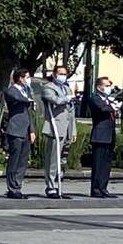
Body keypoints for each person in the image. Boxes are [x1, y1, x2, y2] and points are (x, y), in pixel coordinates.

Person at [41, 65, 76, 199]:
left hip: (66, 128)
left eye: (65, 74)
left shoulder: (66, 88)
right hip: (55, 127)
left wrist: (73, 131)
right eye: (60, 73)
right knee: (53, 159)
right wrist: (65, 99)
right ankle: (51, 186)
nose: (63, 76)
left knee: (62, 159)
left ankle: (59, 184)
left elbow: (71, 112)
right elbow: (54, 100)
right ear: (54, 74)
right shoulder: (49, 87)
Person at [2, 69, 36, 199]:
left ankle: (18, 185)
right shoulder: (12, 90)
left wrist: (31, 130)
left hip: (26, 130)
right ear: (20, 78)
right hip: (15, 130)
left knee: (23, 160)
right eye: (27, 77)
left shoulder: (26, 91)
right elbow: (16, 98)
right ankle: (11, 187)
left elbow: (29, 113)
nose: (28, 80)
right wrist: (27, 99)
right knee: (14, 159)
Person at [87, 76, 117, 198]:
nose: (108, 88)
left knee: (106, 164)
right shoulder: (95, 97)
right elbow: (101, 108)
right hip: (99, 135)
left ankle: (103, 187)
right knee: (98, 164)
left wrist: (113, 104)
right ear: (99, 86)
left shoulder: (107, 98)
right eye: (106, 85)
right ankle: (96, 189)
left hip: (109, 135)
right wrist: (112, 107)